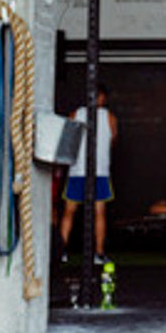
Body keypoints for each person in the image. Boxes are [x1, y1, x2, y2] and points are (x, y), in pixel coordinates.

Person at [60, 85, 118, 264]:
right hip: (96, 171)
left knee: (71, 211)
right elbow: (112, 140)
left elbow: (66, 142)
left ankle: (63, 253)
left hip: (79, 170)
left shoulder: (75, 114)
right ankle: (97, 254)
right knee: (97, 212)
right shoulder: (109, 117)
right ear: (101, 98)